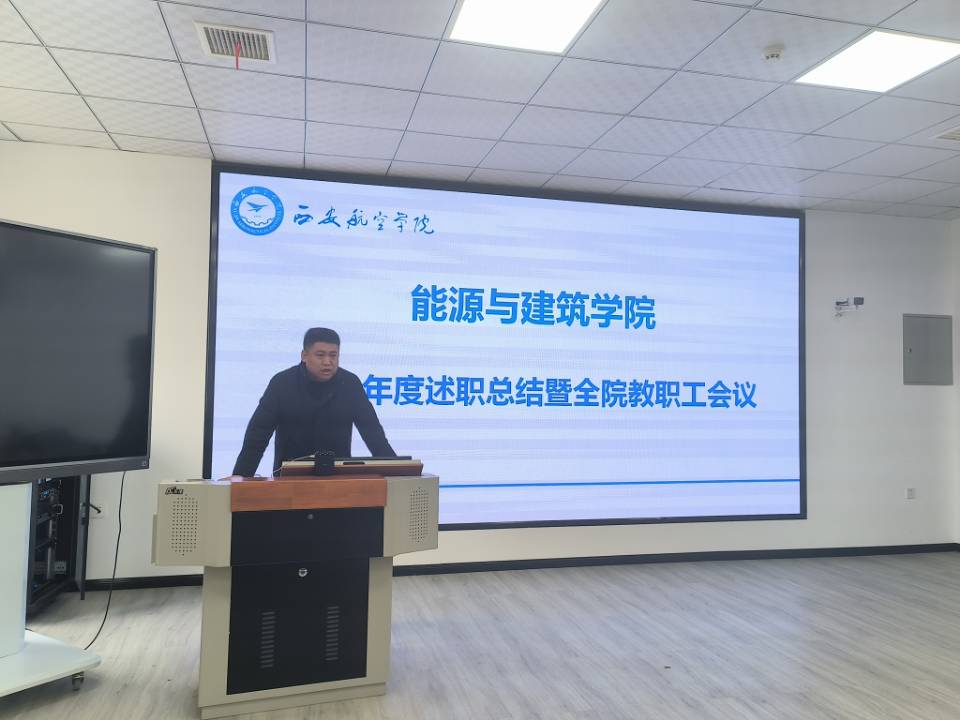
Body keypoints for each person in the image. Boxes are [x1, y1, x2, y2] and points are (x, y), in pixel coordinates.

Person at [232, 327, 396, 477]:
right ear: (304, 355)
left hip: (339, 479)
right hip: (290, 479)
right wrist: (240, 477)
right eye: (320, 355)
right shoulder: (282, 383)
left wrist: (396, 472)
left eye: (333, 355)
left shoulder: (350, 383)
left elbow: (373, 433)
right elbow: (258, 436)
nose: (327, 362)